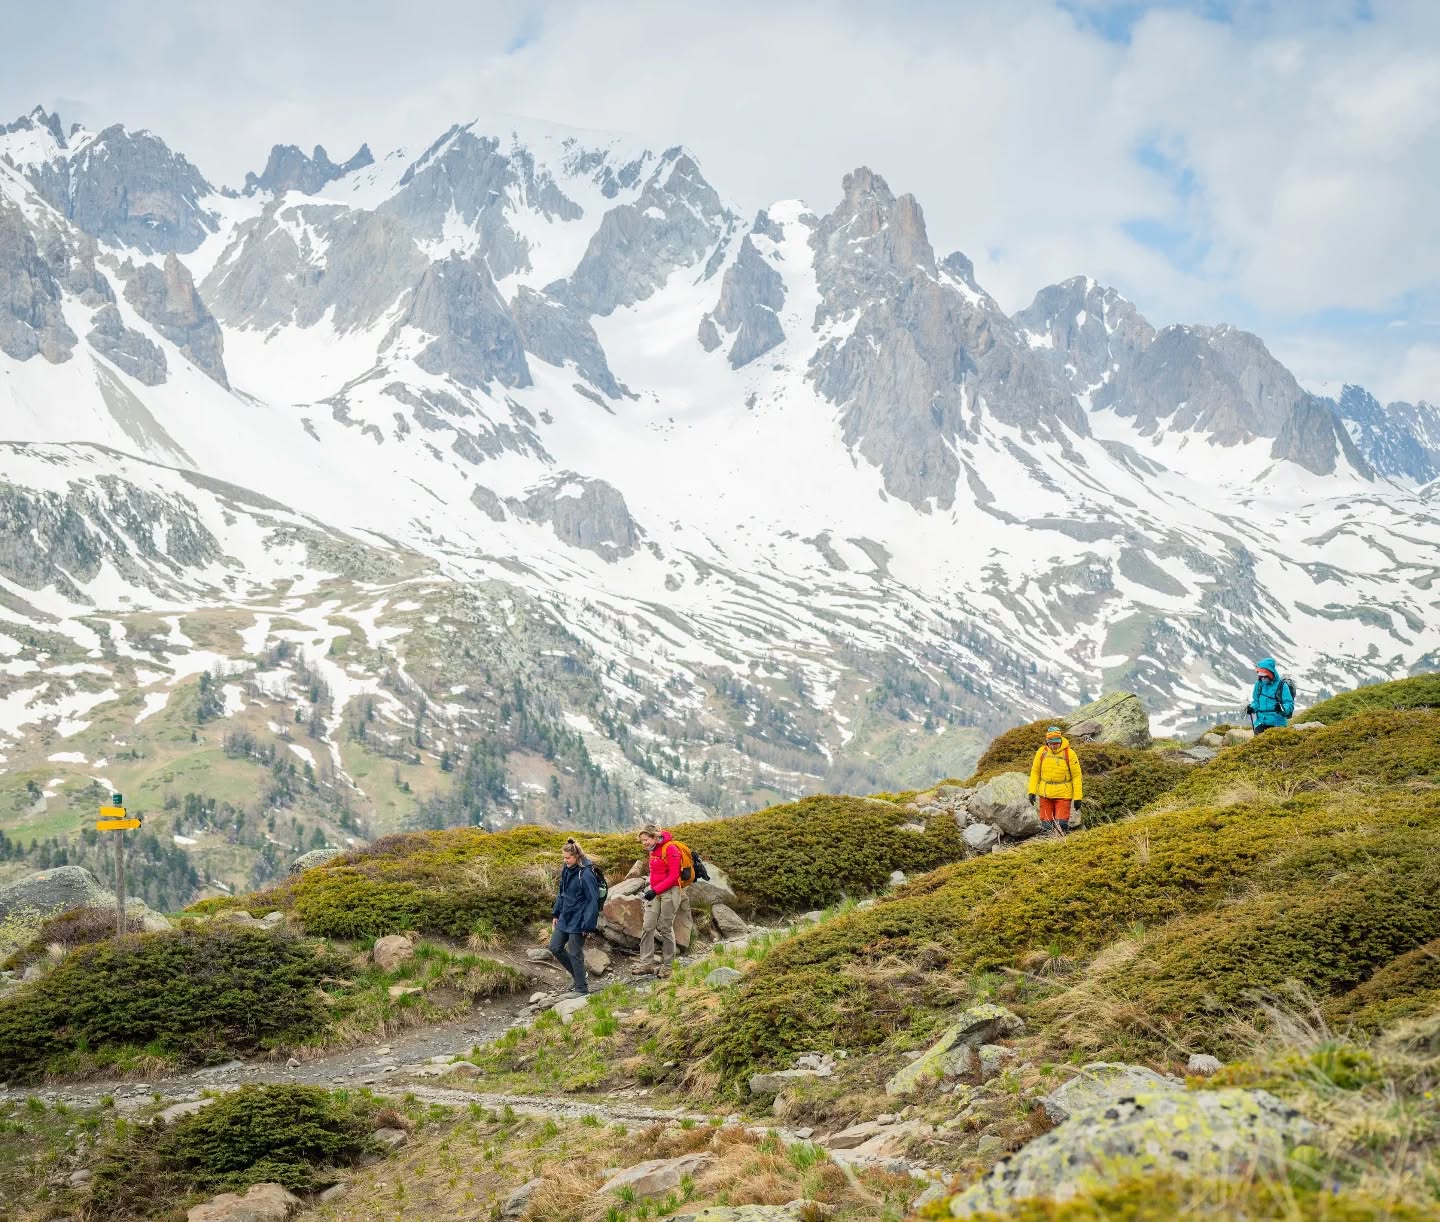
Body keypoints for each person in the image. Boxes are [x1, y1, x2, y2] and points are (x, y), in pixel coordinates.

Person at [549, 838, 599, 997]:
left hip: (580, 918)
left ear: (576, 856)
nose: (565, 861)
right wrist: (556, 913)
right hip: (565, 915)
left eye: (568, 858)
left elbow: (593, 901)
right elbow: (561, 892)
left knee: (574, 952)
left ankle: (582, 990)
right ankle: (579, 976)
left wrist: (587, 925)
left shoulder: (586, 874)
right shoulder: (566, 868)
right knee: (555, 947)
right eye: (563, 857)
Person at [636, 823, 683, 975]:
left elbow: (674, 875)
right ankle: (646, 964)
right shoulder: (653, 850)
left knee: (665, 927)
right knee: (648, 926)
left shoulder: (671, 848)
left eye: (646, 840)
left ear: (654, 836)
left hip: (670, 892)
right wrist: (652, 888)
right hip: (655, 892)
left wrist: (655, 890)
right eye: (642, 841)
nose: (644, 844)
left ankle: (668, 966)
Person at [1027, 725, 1083, 834]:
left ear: (1060, 741)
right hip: (1045, 794)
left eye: (1056, 743)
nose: (1053, 746)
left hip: (1063, 794)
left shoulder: (1069, 754)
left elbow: (1076, 776)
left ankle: (1063, 844)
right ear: (1047, 742)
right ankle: (1048, 846)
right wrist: (1032, 791)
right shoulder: (1042, 752)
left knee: (1061, 823)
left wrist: (1078, 797)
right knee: (1046, 826)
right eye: (1051, 743)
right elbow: (1035, 772)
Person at [1246, 658, 1295, 734]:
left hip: (1278, 724)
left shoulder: (1282, 685)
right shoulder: (1258, 685)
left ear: (1271, 673)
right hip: (1261, 723)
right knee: (1258, 743)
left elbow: (1289, 704)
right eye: (1261, 676)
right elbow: (1256, 701)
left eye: (1265, 676)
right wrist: (1252, 708)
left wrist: (1282, 708)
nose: (1263, 678)